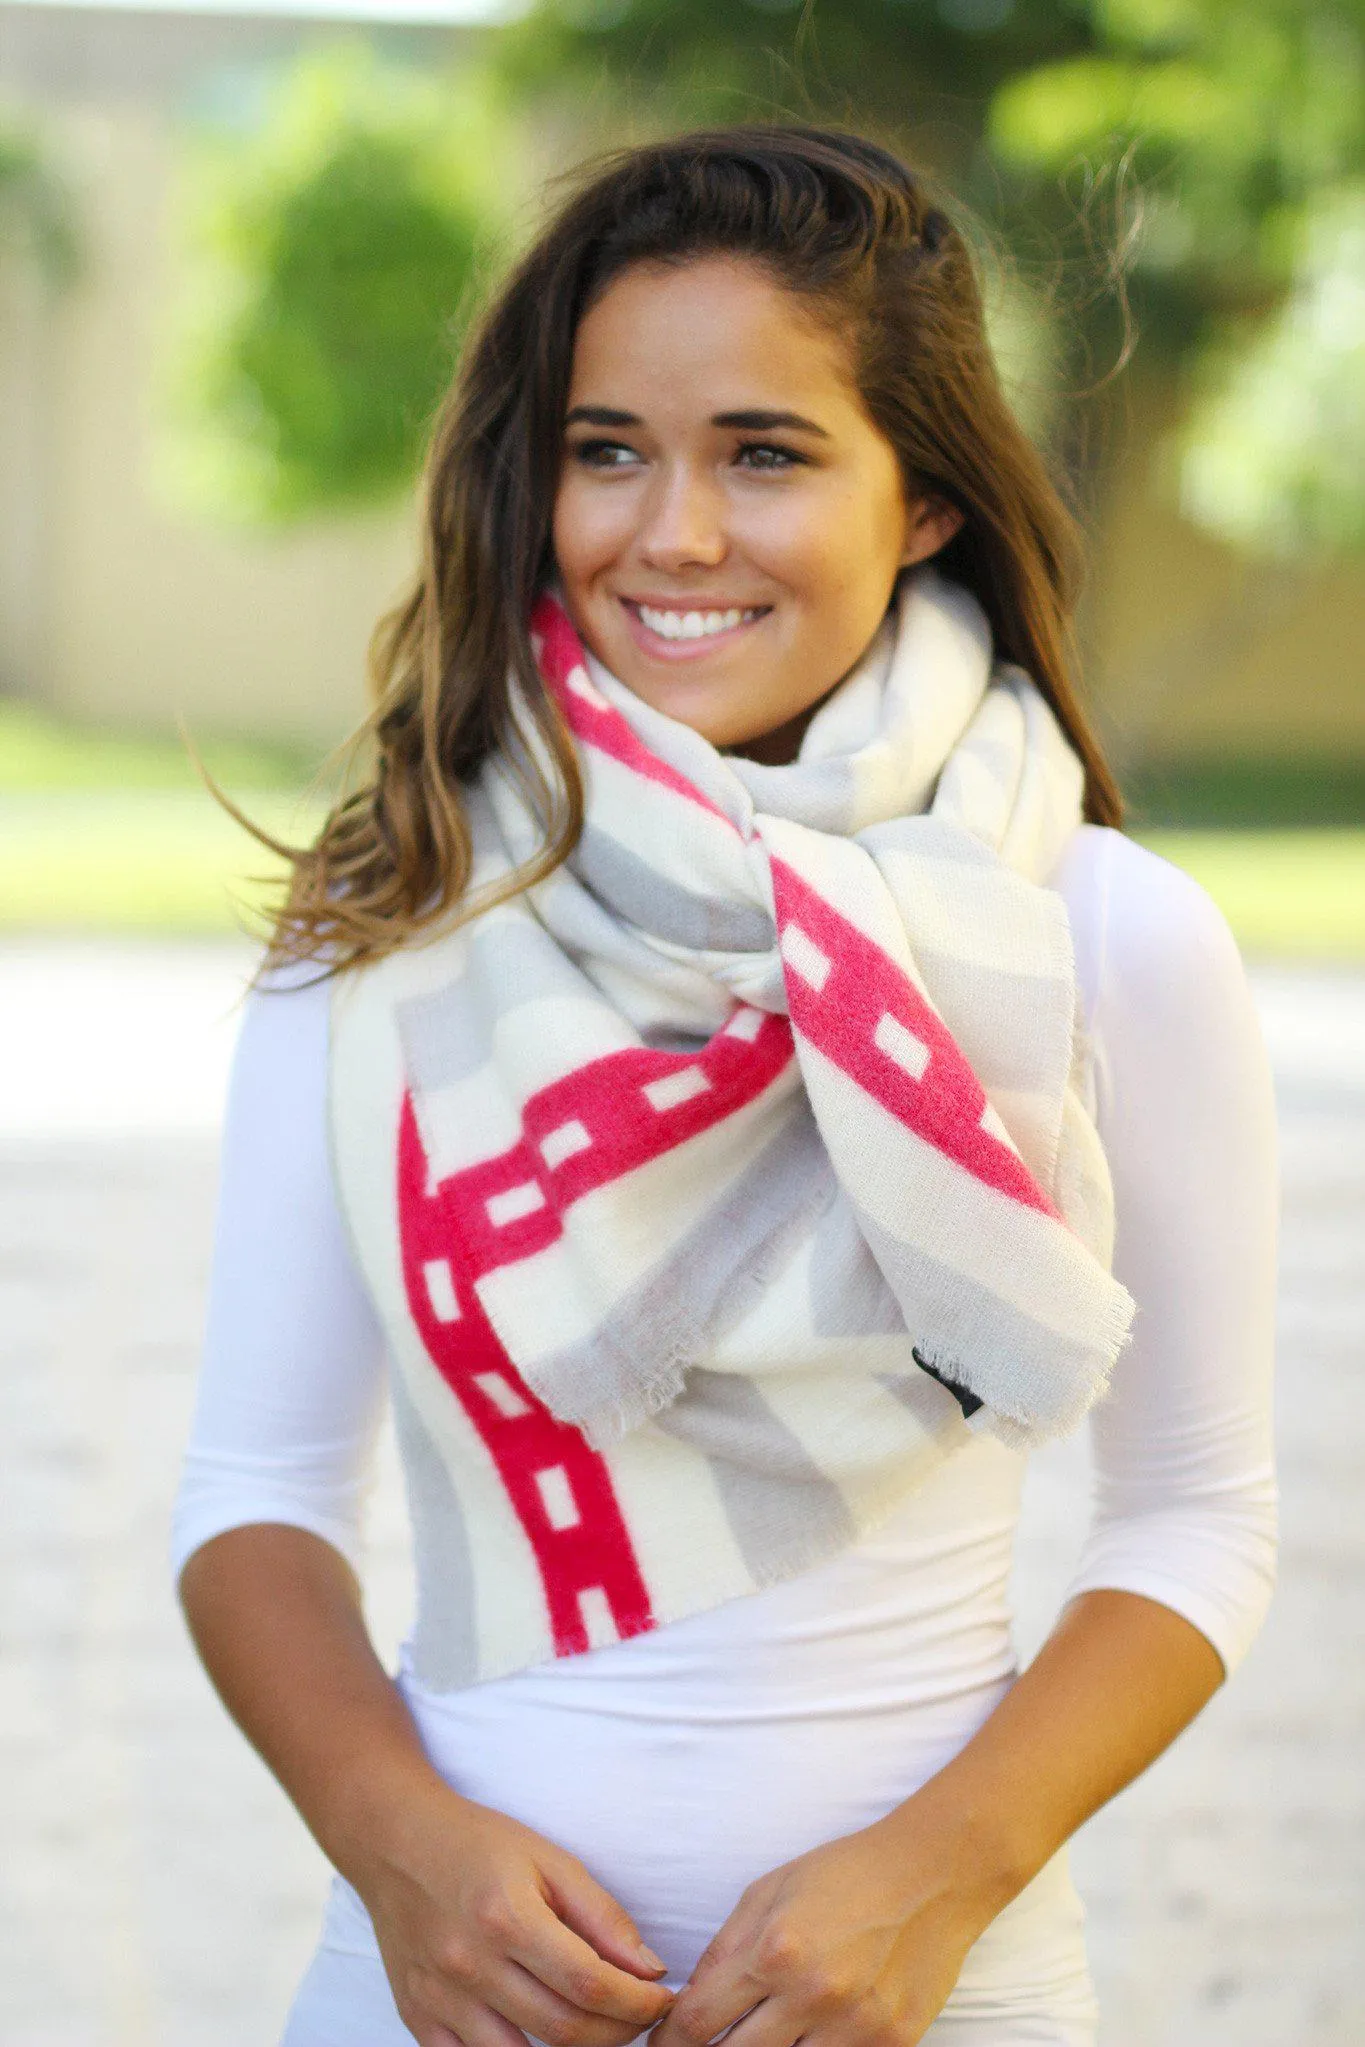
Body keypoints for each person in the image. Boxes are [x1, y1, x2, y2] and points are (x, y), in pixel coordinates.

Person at [171, 126, 1279, 2047]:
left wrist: (941, 1872)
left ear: (924, 500)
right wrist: (398, 1846)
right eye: (609, 449)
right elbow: (258, 1498)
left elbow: (1194, 1512)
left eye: (764, 452)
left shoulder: (1106, 935)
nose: (669, 532)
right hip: (441, 1999)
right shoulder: (397, 917)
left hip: (942, 1999)